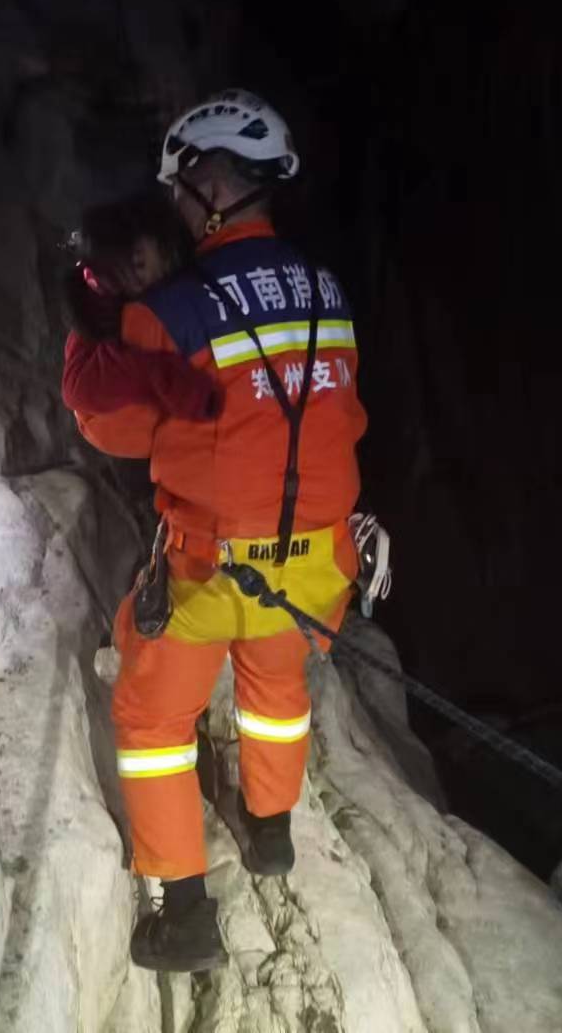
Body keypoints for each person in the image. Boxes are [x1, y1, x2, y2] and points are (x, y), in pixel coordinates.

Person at [68, 89, 368, 972]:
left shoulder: (174, 306)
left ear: (208, 184)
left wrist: (88, 318)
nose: (176, 205)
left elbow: (108, 422)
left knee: (153, 713)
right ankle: (269, 833)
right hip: (314, 568)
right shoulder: (326, 288)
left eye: (182, 187)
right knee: (276, 695)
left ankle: (186, 913)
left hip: (213, 569)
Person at [60, 192, 221, 423]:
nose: (153, 276)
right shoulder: (91, 315)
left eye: (166, 263)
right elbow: (76, 390)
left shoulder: (153, 293)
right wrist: (178, 386)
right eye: (138, 264)